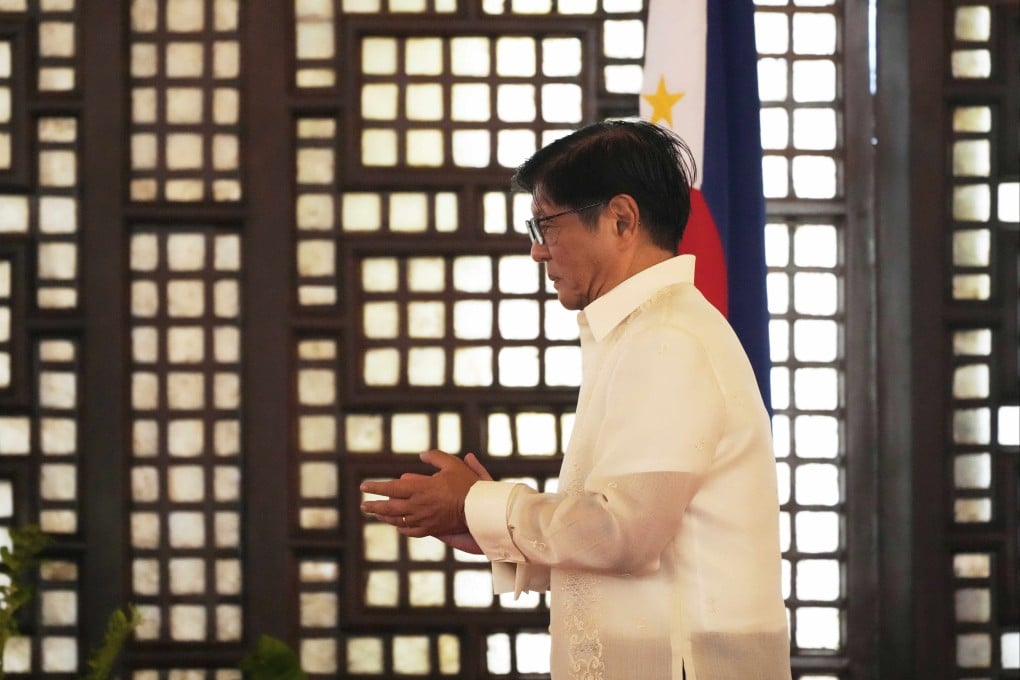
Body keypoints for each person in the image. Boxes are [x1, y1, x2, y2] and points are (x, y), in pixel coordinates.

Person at [360, 120, 792, 680]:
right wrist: (487, 527)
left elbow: (626, 535)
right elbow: (645, 548)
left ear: (620, 219)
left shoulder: (667, 339)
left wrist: (482, 505)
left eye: (545, 224)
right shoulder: (645, 331)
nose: (537, 251)